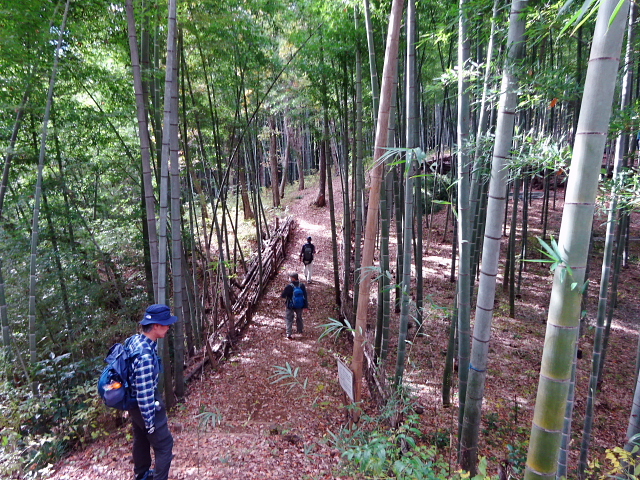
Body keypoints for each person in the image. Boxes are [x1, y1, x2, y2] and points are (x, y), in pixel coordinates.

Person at [126, 304, 178, 480]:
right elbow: (144, 392)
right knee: (164, 445)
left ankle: (141, 475)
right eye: (166, 324)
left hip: (133, 404)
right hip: (145, 404)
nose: (169, 327)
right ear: (155, 326)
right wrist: (150, 423)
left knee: (140, 439)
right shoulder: (145, 357)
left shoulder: (135, 340)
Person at [280, 272, 308, 339]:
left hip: (290, 305)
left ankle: (289, 333)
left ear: (293, 278)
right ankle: (300, 330)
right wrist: (306, 306)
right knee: (299, 317)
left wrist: (284, 291)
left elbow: (283, 296)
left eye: (290, 277)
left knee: (289, 319)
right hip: (300, 305)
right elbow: (305, 296)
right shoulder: (302, 285)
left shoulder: (289, 286)